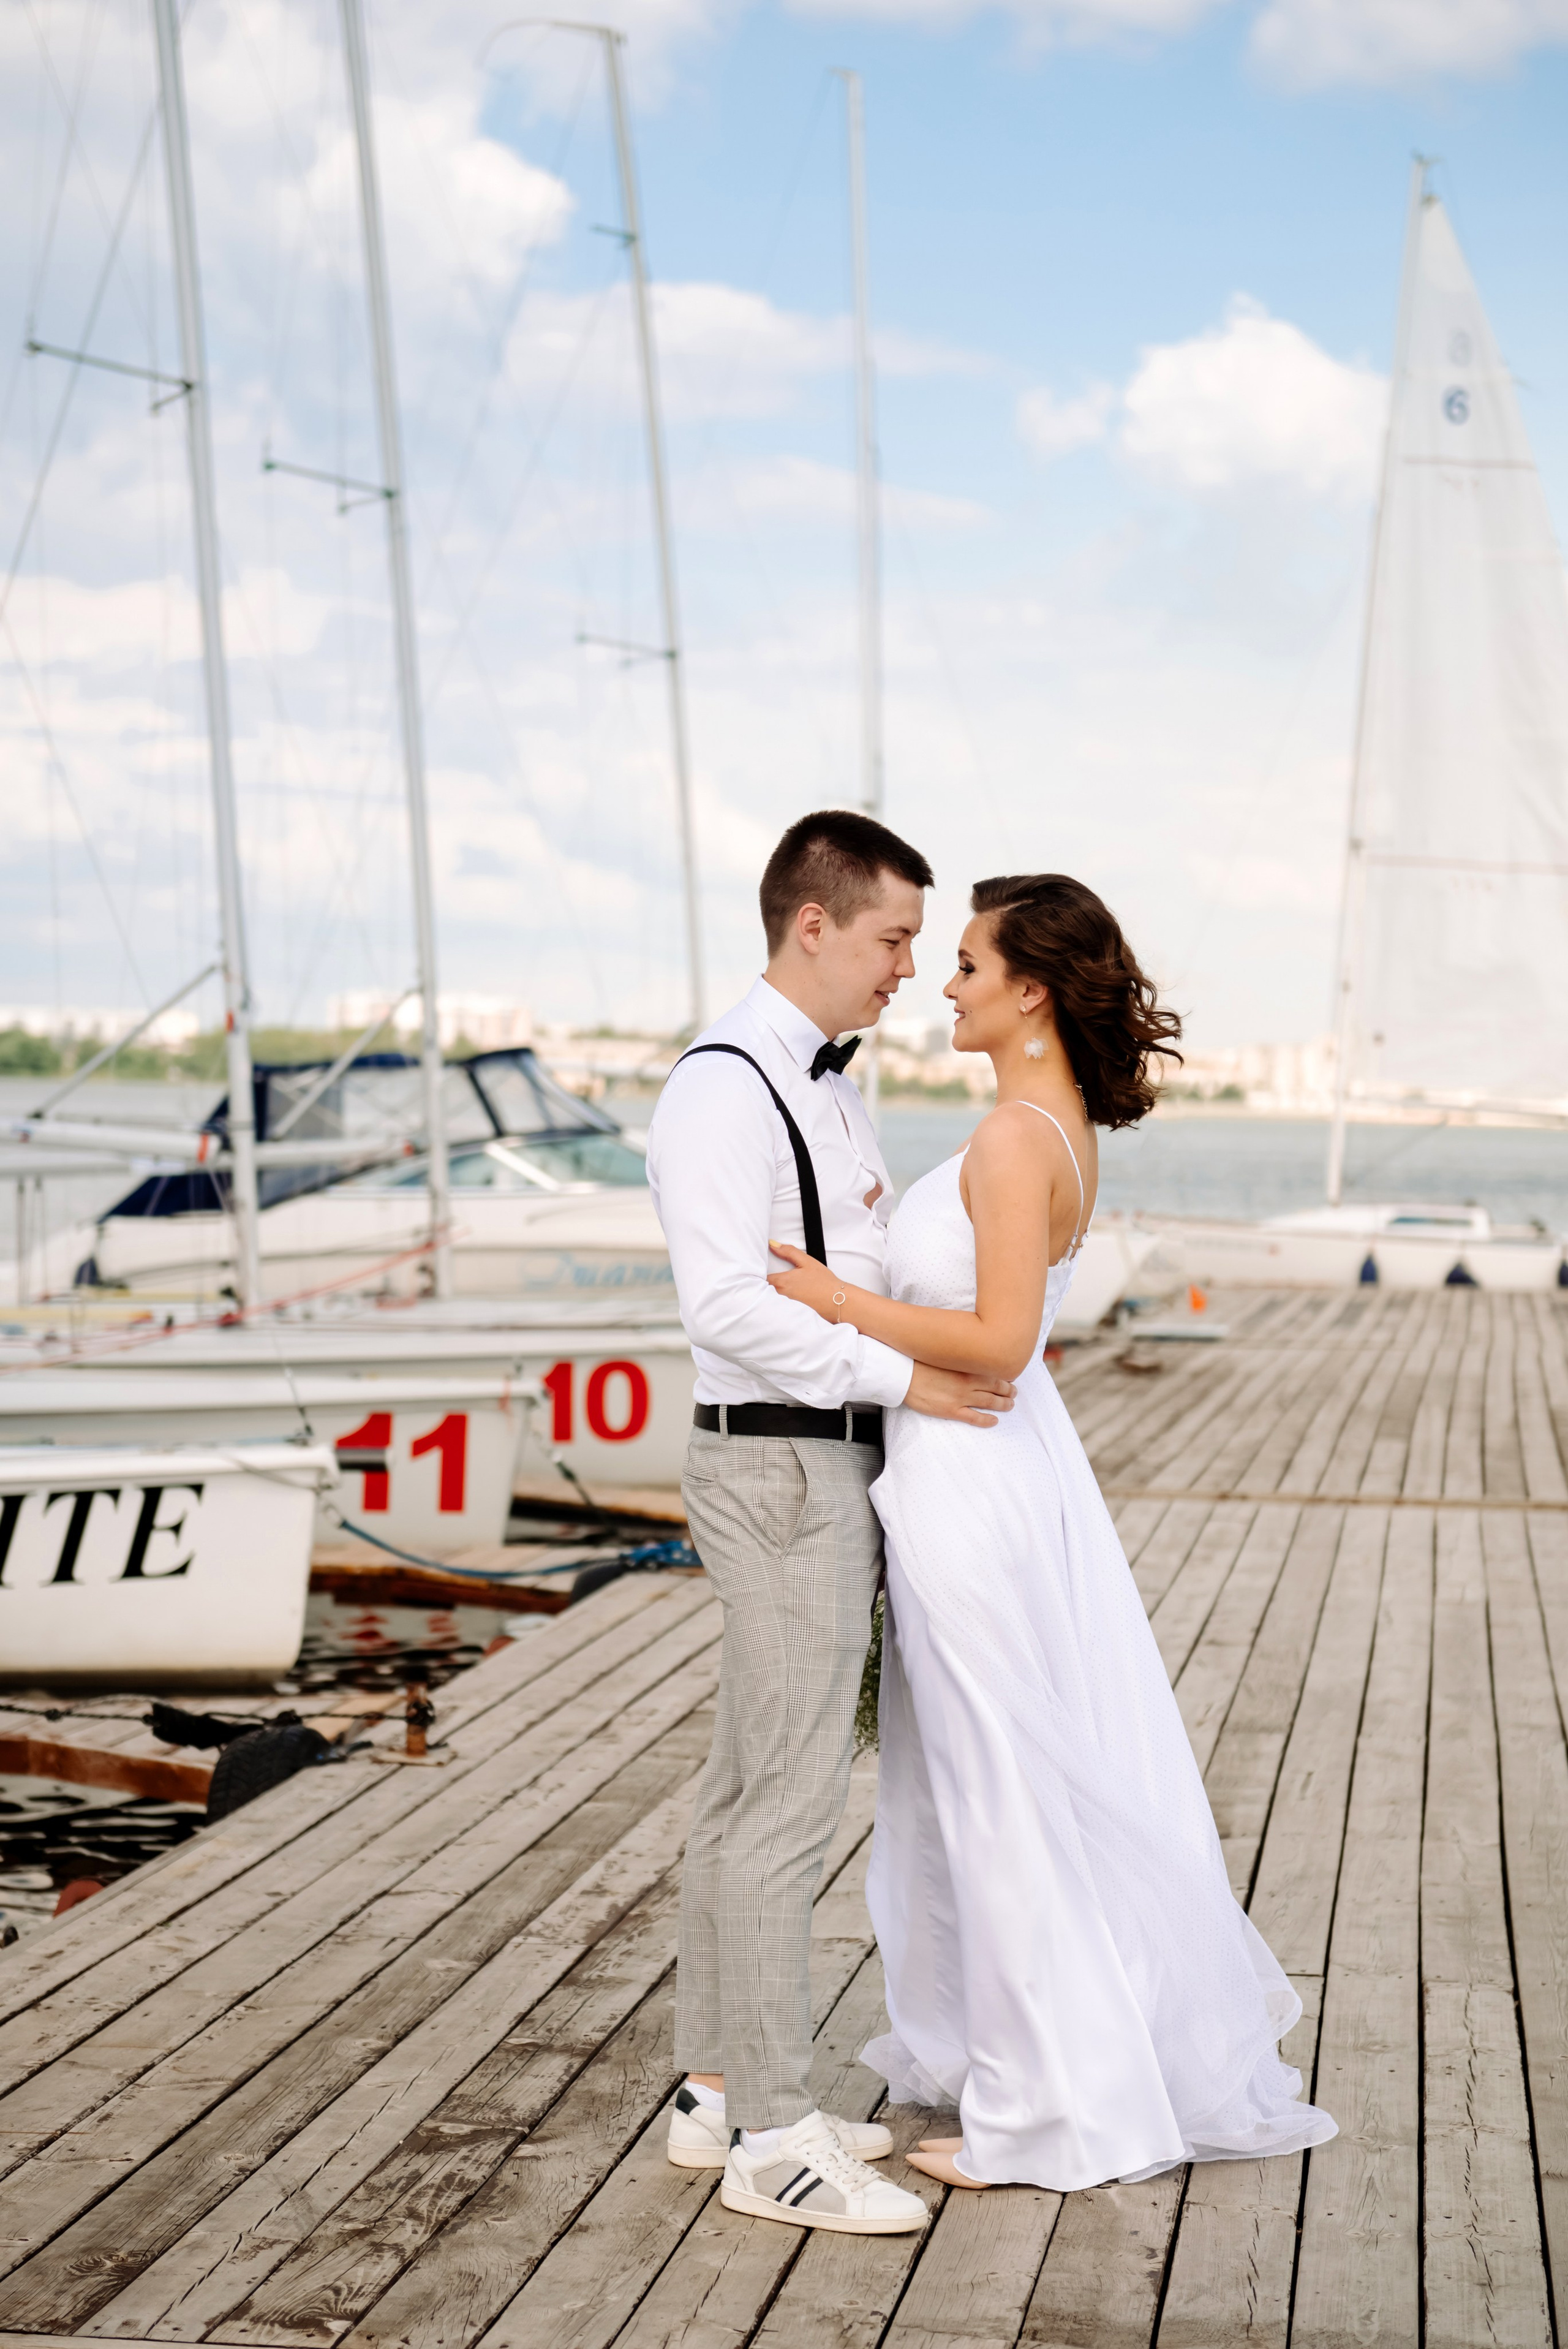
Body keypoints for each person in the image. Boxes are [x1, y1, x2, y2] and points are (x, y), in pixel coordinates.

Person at [768, 873, 1337, 2192]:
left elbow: (1002, 1340)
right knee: (980, 1784)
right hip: (985, 1469)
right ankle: (1026, 2064)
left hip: (972, 1477)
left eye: (968, 963)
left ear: (1029, 990)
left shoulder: (1016, 1138)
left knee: (996, 1794)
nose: (945, 981)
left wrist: (830, 1299)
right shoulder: (1043, 1125)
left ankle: (1049, 2110)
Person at [645, 811, 1016, 2237]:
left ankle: (712, 2091)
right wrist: (907, 1377)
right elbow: (725, 1308)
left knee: (745, 1789)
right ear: (814, 924)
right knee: (785, 1804)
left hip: (810, 1461)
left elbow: (838, 1264)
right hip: (783, 1468)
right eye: (891, 938)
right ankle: (771, 2136)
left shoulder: (824, 1085)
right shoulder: (723, 1089)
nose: (907, 968)